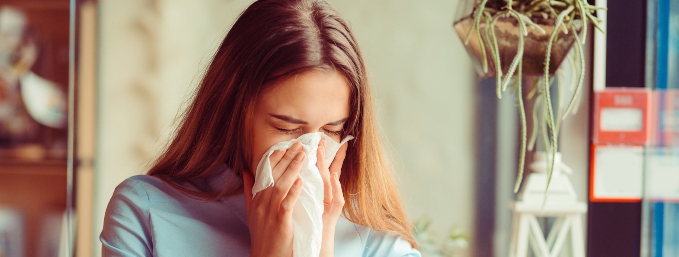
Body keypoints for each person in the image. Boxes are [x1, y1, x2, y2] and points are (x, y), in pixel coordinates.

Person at [100, 0, 420, 256]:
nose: (309, 152)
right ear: (233, 114)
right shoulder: (144, 212)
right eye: (286, 127)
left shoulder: (381, 245)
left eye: (332, 130)